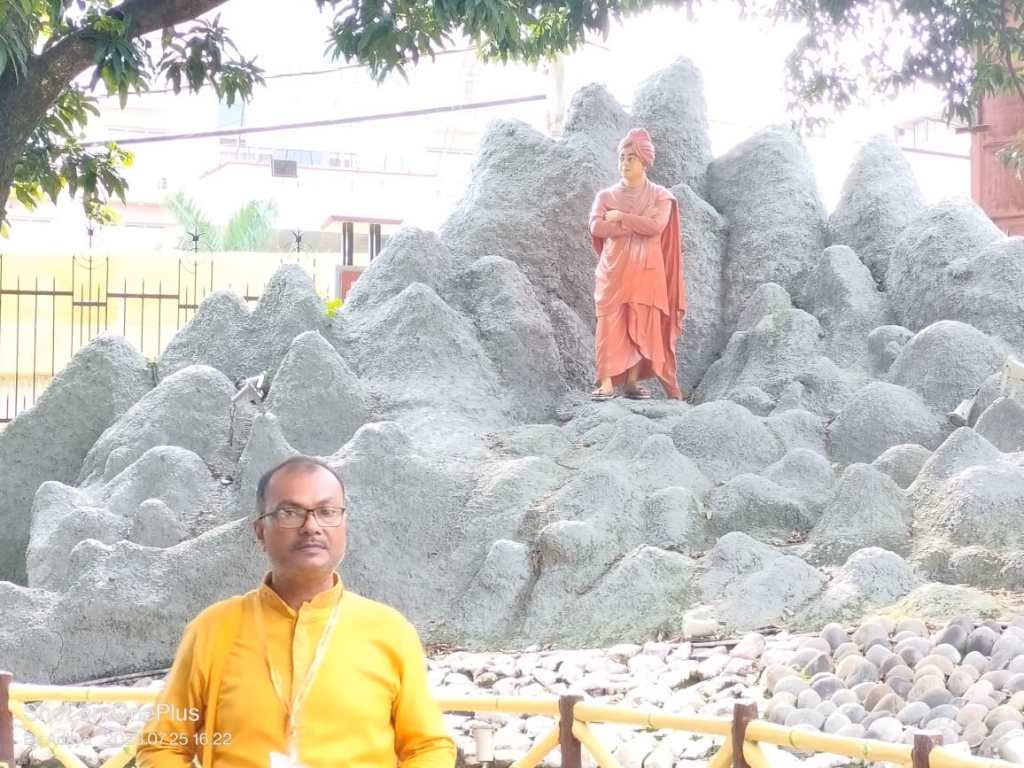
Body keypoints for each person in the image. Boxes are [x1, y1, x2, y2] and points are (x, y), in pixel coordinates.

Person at [136, 456, 456, 768]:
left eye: (327, 512)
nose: (311, 526)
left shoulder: (390, 631)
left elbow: (428, 746)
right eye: (290, 512)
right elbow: (163, 744)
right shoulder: (212, 629)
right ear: (260, 530)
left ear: (344, 524)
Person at [588, 127, 686, 401]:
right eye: (622, 157)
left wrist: (621, 217)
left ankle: (632, 382)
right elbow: (596, 227)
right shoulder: (605, 196)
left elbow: (656, 227)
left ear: (644, 161)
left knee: (640, 323)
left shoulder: (660, 196)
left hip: (646, 273)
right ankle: (606, 382)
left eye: (631, 157)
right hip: (613, 270)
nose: (625, 162)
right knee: (609, 323)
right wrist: (634, 225)